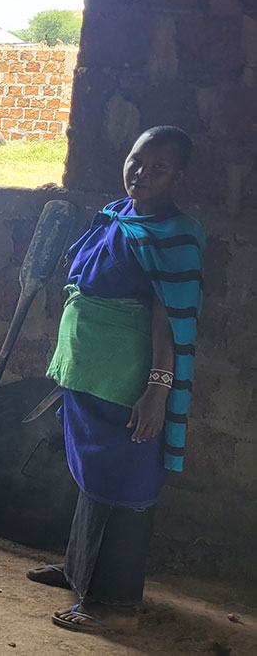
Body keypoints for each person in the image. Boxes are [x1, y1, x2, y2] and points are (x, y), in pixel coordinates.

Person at [29, 126, 203, 633]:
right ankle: (81, 571)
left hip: (127, 377)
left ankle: (113, 604)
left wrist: (157, 388)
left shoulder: (176, 236)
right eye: (137, 159)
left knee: (126, 482)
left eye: (160, 166)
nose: (142, 172)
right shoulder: (119, 214)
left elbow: (168, 317)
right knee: (93, 473)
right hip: (89, 368)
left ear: (179, 176)